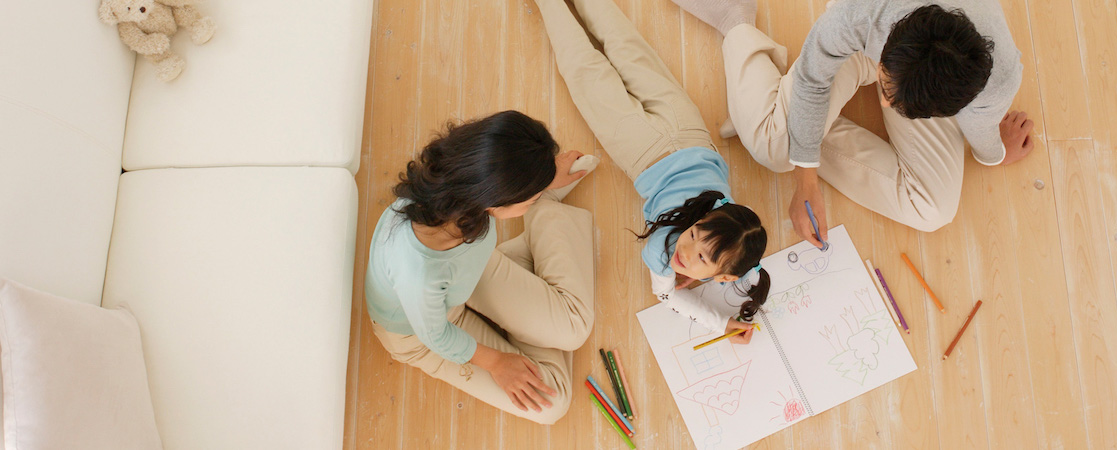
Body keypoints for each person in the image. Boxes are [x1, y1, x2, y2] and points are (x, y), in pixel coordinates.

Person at [673, 0, 1036, 244]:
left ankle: (771, 112)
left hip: (923, 70)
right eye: (886, 88)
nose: (883, 102)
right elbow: (817, 78)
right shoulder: (857, 13)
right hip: (863, 42)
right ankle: (735, 21)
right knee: (774, 150)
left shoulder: (995, 80)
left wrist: (995, 152)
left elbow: (984, 137)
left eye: (897, 103)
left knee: (932, 210)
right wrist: (806, 182)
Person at [532, 0, 772, 340]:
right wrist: (720, 321)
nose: (684, 251)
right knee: (585, 69)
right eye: (692, 235)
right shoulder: (661, 249)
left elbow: (741, 233)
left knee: (626, 46)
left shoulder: (735, 217)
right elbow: (667, 295)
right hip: (640, 148)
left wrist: (703, 265)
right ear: (725, 278)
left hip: (688, 130)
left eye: (700, 254)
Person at [364, 110, 600, 424]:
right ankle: (536, 251)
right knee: (551, 403)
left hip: (468, 275)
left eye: (535, 194)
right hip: (425, 333)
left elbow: (499, 155)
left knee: (574, 330)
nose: (531, 196)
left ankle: (540, 227)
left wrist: (539, 171)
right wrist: (498, 363)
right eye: (530, 198)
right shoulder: (418, 275)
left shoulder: (465, 185)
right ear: (495, 201)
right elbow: (437, 336)